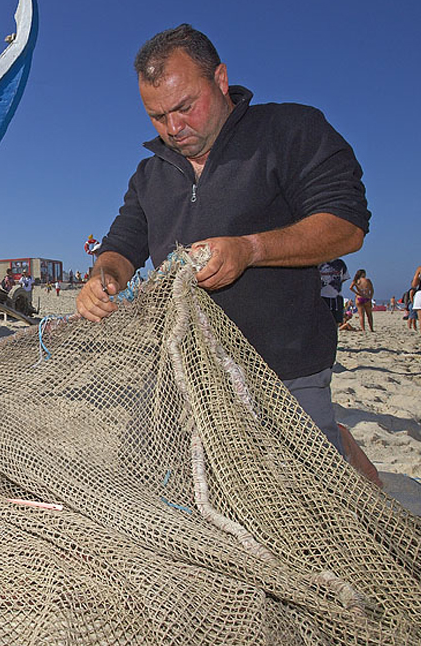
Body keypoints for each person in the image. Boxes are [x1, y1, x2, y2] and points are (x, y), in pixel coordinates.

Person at [78, 24, 374, 481]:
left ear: (219, 80)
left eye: (185, 108)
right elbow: (121, 246)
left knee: (307, 508)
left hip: (285, 366)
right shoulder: (149, 174)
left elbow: (346, 225)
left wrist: (250, 248)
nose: (173, 128)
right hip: (181, 368)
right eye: (157, 116)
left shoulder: (290, 129)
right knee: (144, 482)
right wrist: (104, 278)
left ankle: (339, 447)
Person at [318, 258, 348, 326]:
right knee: (322, 321)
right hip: (322, 296)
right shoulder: (319, 263)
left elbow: (344, 278)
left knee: (336, 321)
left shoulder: (340, 263)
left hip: (336, 297)